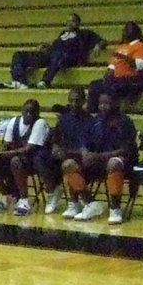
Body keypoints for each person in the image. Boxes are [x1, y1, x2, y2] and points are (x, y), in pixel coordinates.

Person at [61, 92, 137, 224]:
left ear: (115, 104)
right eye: (100, 103)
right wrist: (85, 152)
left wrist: (98, 156)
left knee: (113, 163)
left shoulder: (125, 121)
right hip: (98, 161)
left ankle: (115, 208)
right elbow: (84, 142)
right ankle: (90, 203)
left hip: (122, 162)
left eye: (106, 103)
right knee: (68, 164)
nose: (103, 106)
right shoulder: (94, 121)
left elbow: (125, 150)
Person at [8, 13, 104, 90]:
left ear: (78, 23)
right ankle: (20, 81)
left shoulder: (85, 33)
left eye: (72, 21)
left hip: (67, 56)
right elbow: (54, 44)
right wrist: (44, 46)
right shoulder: (63, 34)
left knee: (57, 54)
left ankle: (46, 81)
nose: (69, 24)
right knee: (19, 55)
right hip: (51, 56)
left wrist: (98, 46)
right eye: (68, 21)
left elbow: (102, 41)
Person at [0, 98, 50, 215]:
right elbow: (5, 145)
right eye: (26, 111)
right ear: (21, 111)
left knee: (16, 161)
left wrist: (2, 154)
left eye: (32, 112)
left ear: (38, 113)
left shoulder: (40, 123)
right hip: (15, 158)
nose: (29, 115)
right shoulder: (14, 121)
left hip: (34, 161)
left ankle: (24, 201)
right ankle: (6, 196)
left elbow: (28, 149)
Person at [42, 86, 91, 215]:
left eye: (77, 100)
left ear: (83, 101)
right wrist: (55, 147)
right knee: (41, 159)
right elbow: (55, 140)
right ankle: (53, 190)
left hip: (80, 158)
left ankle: (80, 202)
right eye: (72, 100)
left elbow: (87, 148)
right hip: (63, 155)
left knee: (68, 164)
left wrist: (68, 153)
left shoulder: (90, 121)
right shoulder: (63, 119)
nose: (74, 104)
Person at [86, 22, 143, 112]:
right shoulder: (120, 47)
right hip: (116, 79)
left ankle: (112, 115)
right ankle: (92, 114)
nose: (125, 31)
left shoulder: (141, 46)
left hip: (132, 79)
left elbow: (140, 65)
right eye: (125, 29)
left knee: (113, 86)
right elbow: (112, 67)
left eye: (128, 29)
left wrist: (123, 57)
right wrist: (106, 78)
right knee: (95, 85)